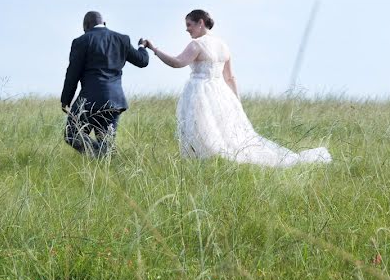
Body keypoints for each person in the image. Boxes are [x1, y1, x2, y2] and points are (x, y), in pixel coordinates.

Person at [141, 9, 332, 167]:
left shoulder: (196, 45)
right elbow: (230, 77)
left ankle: (206, 161)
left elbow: (177, 63)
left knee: (201, 130)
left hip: (200, 92)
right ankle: (216, 161)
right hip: (221, 93)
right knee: (225, 132)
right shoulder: (223, 45)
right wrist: (236, 101)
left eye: (189, 25)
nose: (187, 30)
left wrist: (154, 49)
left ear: (200, 23)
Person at [61, 11, 150, 157]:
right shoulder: (122, 39)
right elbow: (142, 61)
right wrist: (141, 47)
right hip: (114, 101)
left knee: (71, 134)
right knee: (105, 141)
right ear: (104, 23)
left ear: (86, 26)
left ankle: (101, 155)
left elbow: (72, 74)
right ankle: (105, 155)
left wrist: (66, 100)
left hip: (89, 101)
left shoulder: (81, 41)